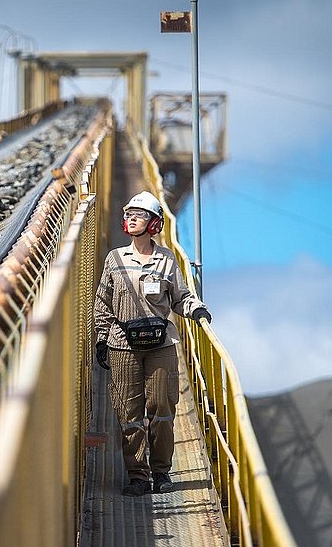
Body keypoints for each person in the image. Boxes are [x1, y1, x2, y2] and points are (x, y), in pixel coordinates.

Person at [93, 190, 211, 496]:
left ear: (154, 224)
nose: (131, 218)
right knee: (128, 412)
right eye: (129, 214)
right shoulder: (115, 259)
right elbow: (102, 303)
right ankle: (138, 476)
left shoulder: (166, 259)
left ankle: (161, 472)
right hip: (123, 344)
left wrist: (196, 309)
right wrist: (102, 339)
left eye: (139, 214)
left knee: (161, 408)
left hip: (161, 345)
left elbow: (180, 296)